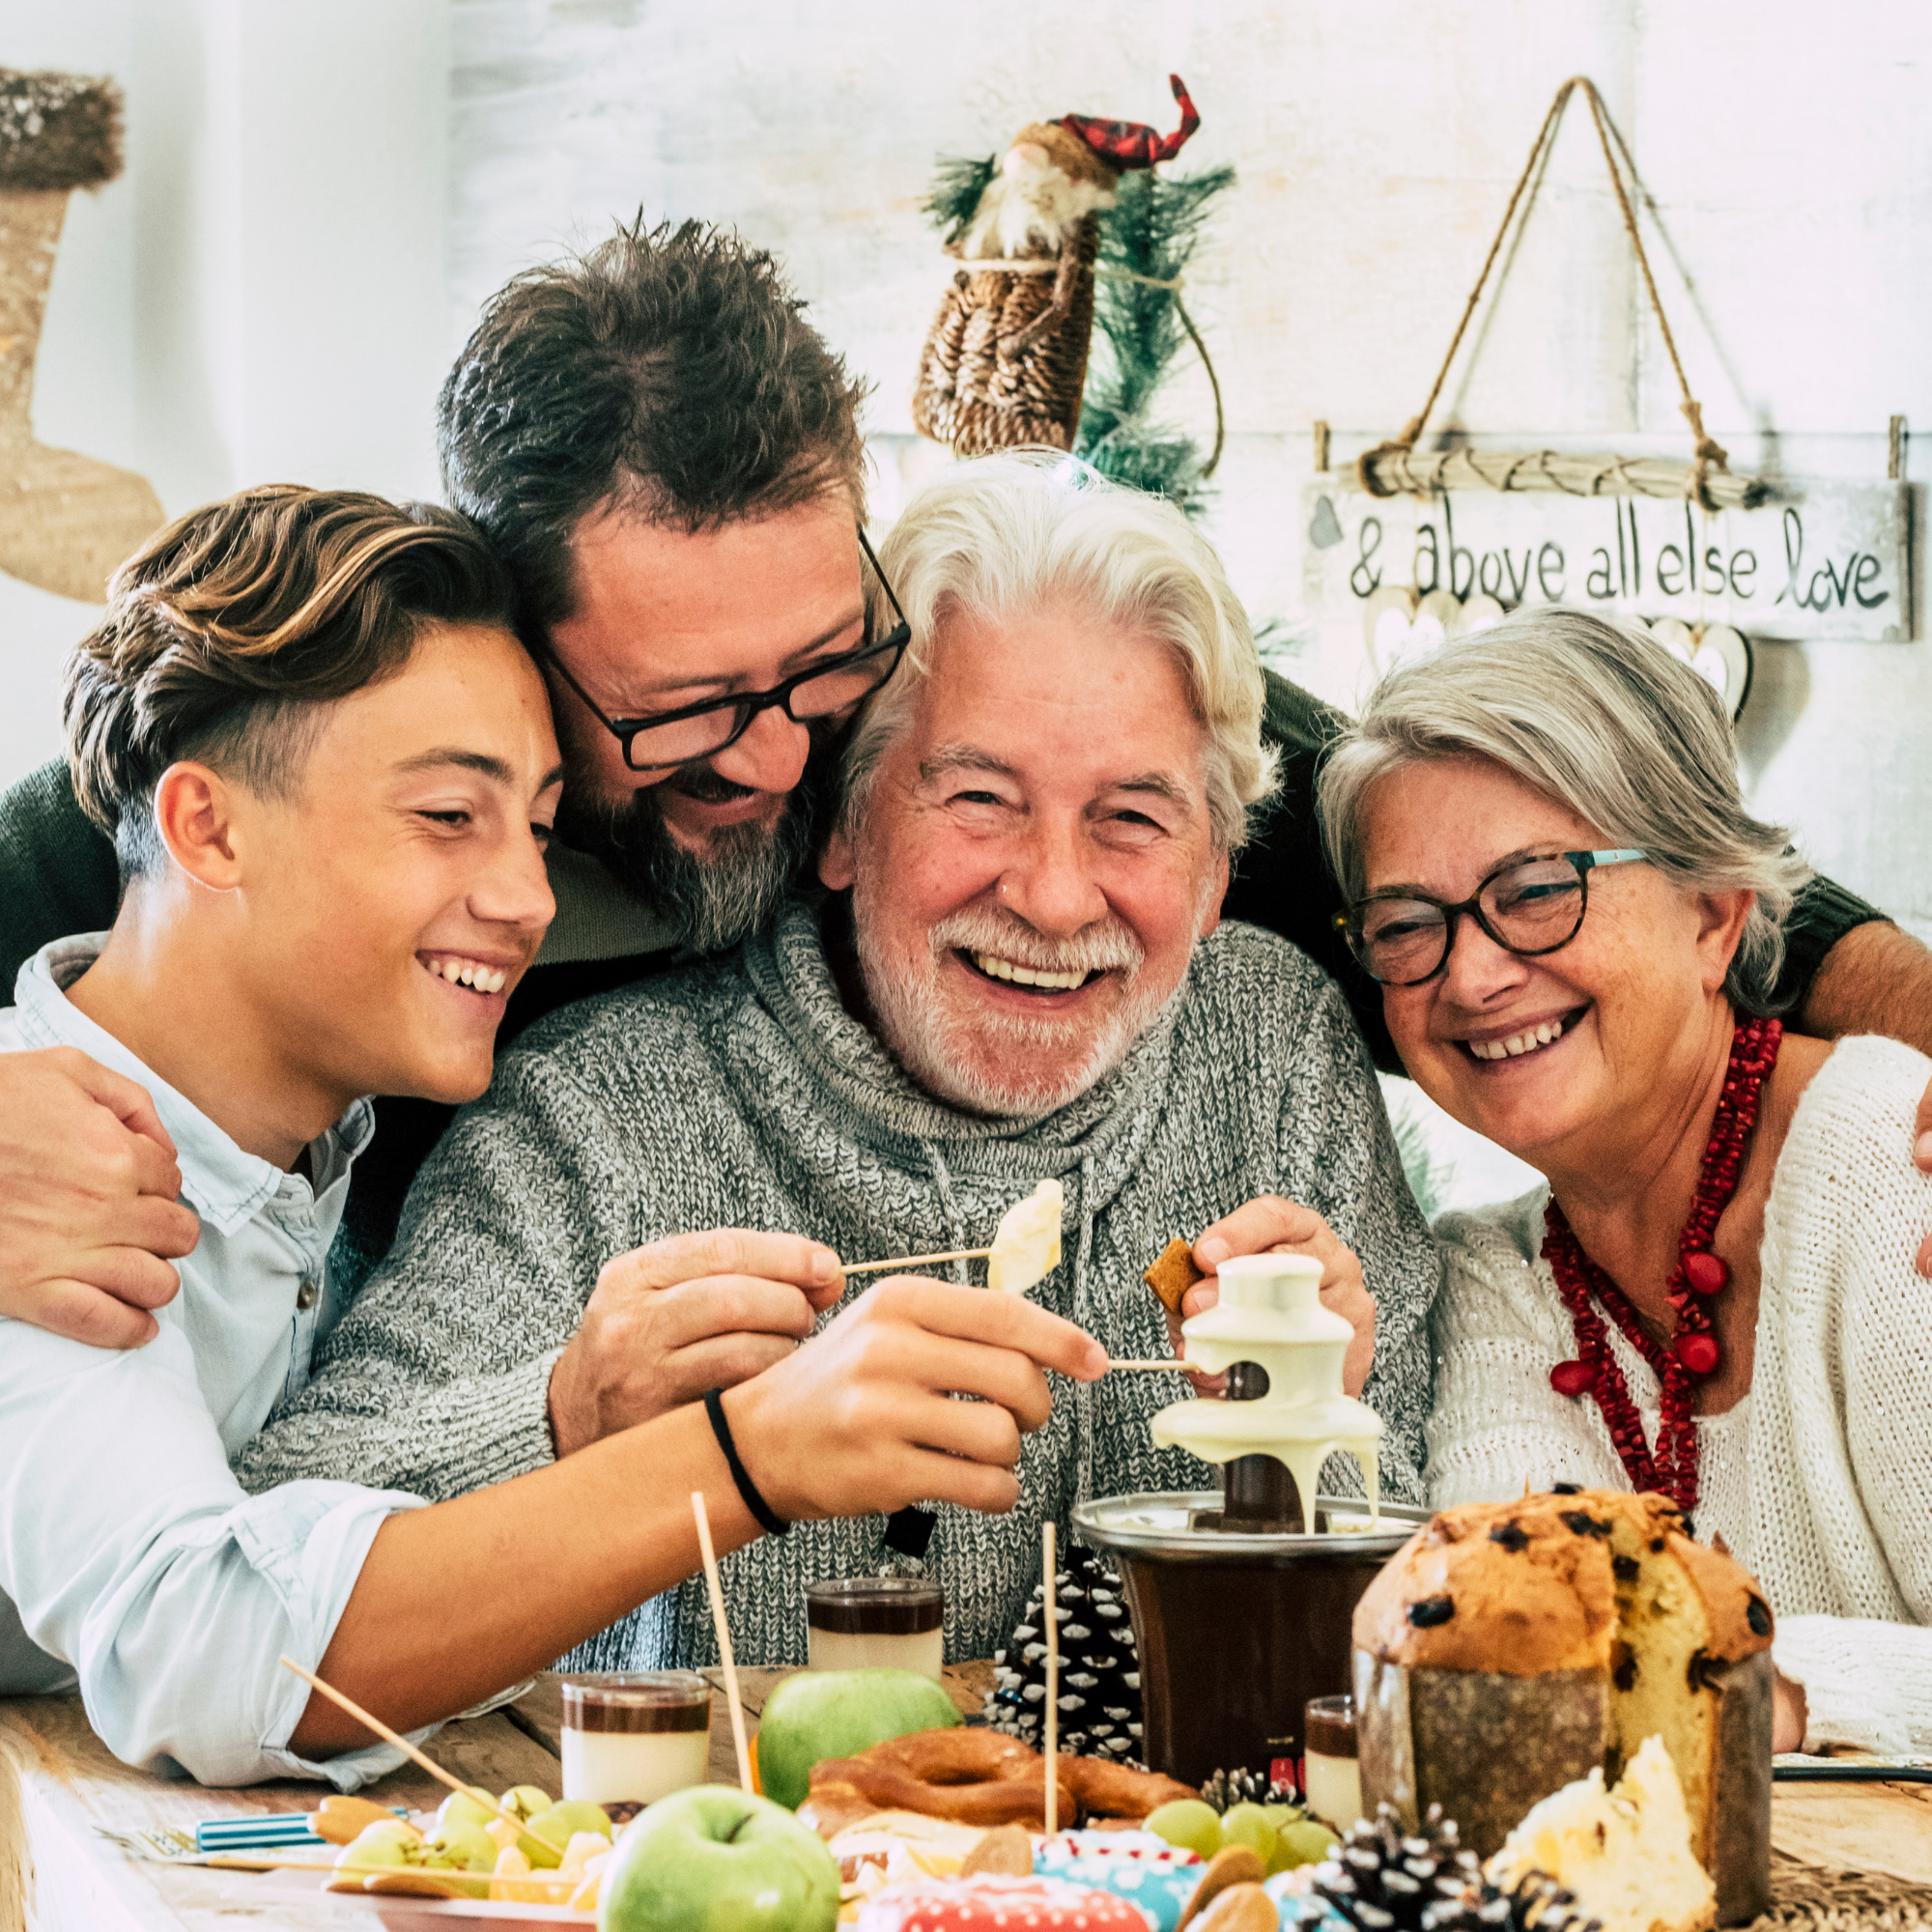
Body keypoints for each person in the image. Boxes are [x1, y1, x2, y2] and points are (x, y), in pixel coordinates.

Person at [6, 220, 1929, 1354]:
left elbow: (1524, 843)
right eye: (682, 714)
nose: (775, 757)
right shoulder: (310, 759)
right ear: (518, 620)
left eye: (816, 661)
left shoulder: (933, 711)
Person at [237, 452, 1440, 1671]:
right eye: (978, 796)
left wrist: (1319, 1426)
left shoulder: (1274, 1046)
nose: (1056, 895)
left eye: (1132, 816)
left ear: (1216, 869)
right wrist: (565, 1412)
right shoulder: (593, 1115)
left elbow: (1438, 1590)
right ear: (845, 825)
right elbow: (273, 1563)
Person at [0, 484, 1104, 1787]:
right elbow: (208, 1648)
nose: (527, 899)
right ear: (209, 826)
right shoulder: (60, 1177)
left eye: (536, 825)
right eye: (448, 818)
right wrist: (745, 1459)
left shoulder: (321, 1134)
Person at [1316, 609, 1932, 1758]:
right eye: (1407, 924)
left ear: (1712, 914)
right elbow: (1508, 1666)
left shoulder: (1892, 1165)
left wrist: (1758, 1692)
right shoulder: (1498, 1276)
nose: (1474, 974)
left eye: (1538, 888)